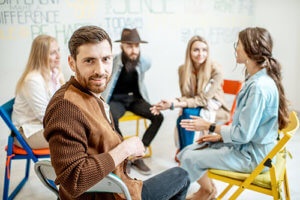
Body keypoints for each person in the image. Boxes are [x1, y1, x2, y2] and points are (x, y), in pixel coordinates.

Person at [43, 25, 190, 200]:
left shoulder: (90, 95)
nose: (100, 70)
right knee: (182, 176)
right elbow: (74, 182)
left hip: (116, 185)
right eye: (89, 60)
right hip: (113, 195)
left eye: (106, 59)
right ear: (72, 63)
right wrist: (125, 148)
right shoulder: (65, 107)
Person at [176, 27, 290, 200]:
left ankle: (205, 192)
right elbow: (247, 130)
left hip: (252, 157)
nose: (236, 48)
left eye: (239, 44)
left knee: (189, 157)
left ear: (251, 49)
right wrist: (221, 137)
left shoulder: (258, 87)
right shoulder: (258, 80)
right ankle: (207, 191)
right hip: (249, 147)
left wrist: (210, 127)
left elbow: (242, 134)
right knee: (185, 152)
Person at [102, 28, 163, 175]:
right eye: (129, 46)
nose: (134, 50)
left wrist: (136, 53)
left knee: (158, 116)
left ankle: (137, 154)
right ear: (122, 46)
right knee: (111, 118)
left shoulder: (141, 61)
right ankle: (124, 155)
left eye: (136, 46)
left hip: (135, 99)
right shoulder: (113, 62)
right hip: (117, 99)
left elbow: (149, 62)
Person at [151, 35, 230, 150]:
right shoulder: (183, 70)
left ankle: (186, 154)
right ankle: (186, 154)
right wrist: (169, 102)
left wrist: (174, 104)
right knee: (184, 116)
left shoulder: (216, 70)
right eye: (196, 50)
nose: (200, 54)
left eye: (204, 50)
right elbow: (186, 97)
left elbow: (203, 100)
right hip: (195, 106)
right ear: (189, 51)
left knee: (186, 115)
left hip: (215, 109)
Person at [12, 35, 64, 149]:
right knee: (76, 137)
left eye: (58, 50)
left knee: (83, 131)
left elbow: (63, 104)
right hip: (27, 133)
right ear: (41, 57)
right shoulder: (33, 80)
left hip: (43, 127)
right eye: (52, 53)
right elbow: (45, 116)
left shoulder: (54, 74)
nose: (59, 56)